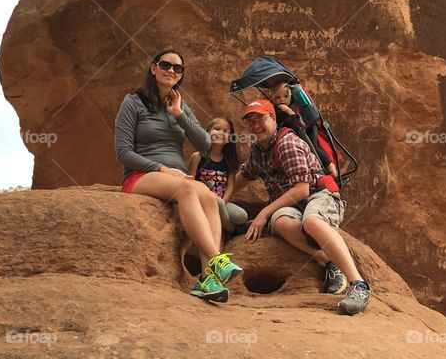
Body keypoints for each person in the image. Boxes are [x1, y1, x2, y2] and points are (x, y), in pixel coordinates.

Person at [114, 48, 243, 302]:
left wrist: (179, 115)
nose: (171, 70)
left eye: (178, 68)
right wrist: (161, 168)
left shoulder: (180, 106)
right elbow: (123, 152)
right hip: (142, 175)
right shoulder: (134, 102)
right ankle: (216, 260)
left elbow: (206, 144)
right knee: (186, 189)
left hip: (176, 177)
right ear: (153, 68)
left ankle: (208, 281)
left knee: (208, 197)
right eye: (165, 65)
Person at [237, 99, 371, 315]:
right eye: (250, 121)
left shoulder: (286, 143)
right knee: (279, 222)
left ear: (273, 118)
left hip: (319, 194)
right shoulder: (258, 149)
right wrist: (219, 200)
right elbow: (244, 176)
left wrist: (263, 213)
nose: (255, 126)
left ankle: (360, 286)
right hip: (293, 203)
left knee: (311, 222)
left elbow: (302, 190)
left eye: (261, 119)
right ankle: (330, 262)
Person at [187, 117, 249, 236]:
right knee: (217, 203)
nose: (221, 133)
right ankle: (232, 230)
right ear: (207, 132)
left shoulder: (229, 160)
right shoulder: (198, 156)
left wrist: (223, 203)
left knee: (242, 216)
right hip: (202, 201)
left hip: (222, 202)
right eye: (217, 129)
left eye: (226, 131)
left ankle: (223, 222)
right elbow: (190, 182)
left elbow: (230, 186)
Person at [269, 82, 338, 177]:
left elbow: (302, 123)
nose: (282, 100)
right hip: (295, 134)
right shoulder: (274, 110)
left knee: (312, 147)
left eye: (286, 96)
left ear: (290, 96)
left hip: (307, 128)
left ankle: (330, 166)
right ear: (272, 98)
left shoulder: (293, 105)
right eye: (278, 97)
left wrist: (290, 112)